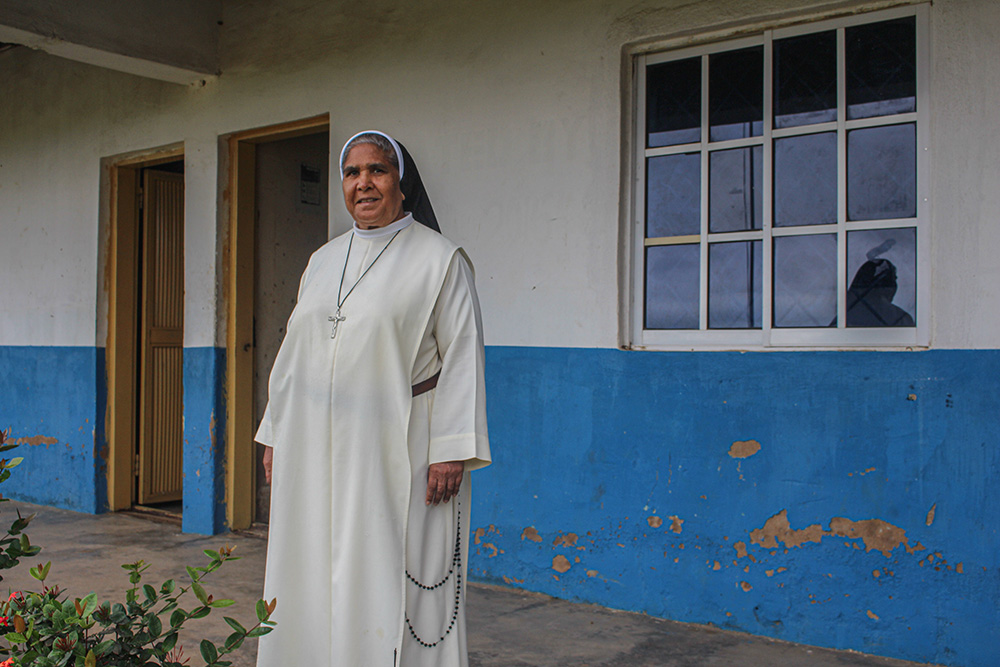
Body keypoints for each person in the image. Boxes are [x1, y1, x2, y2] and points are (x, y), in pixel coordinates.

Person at [255, 130, 491, 666]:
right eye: (352, 172)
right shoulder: (322, 259)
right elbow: (294, 351)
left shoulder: (440, 259)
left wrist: (450, 447)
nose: (363, 183)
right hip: (314, 442)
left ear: (400, 183)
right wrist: (274, 433)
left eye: (377, 170)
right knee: (314, 563)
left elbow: (462, 355)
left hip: (403, 445)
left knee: (390, 569)